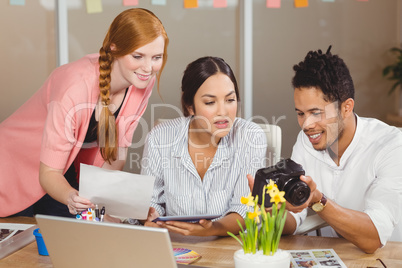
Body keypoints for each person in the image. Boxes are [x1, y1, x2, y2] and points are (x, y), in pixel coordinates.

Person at [0, 8, 169, 218]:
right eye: (138, 56)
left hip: (65, 177)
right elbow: (49, 173)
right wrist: (72, 196)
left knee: (76, 239)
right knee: (20, 246)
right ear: (114, 48)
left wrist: (119, 207)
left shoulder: (142, 81)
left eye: (156, 57)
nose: (148, 67)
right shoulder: (74, 85)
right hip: (15, 170)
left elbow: (117, 154)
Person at [288, 46, 402, 253]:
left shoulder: (392, 145)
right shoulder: (307, 140)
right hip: (332, 255)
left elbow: (374, 238)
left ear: (346, 108)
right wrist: (272, 208)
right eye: (301, 113)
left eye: (316, 113)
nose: (306, 125)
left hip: (385, 257)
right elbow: (294, 217)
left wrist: (317, 200)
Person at [141, 56, 267, 236]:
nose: (223, 112)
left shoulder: (250, 137)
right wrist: (150, 216)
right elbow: (152, 201)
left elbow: (244, 209)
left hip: (232, 247)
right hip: (177, 246)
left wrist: (212, 229)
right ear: (190, 106)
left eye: (230, 100)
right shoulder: (160, 137)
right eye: (210, 102)